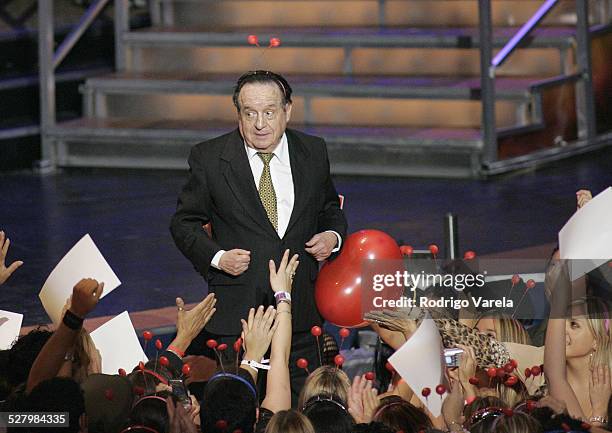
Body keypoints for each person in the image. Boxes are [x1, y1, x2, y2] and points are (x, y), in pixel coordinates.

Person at [170, 70, 348, 396]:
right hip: (239, 316)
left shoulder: (313, 151)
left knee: (298, 417)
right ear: (238, 114)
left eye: (269, 112)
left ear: (287, 111)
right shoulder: (209, 158)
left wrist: (332, 238)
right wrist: (219, 257)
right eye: (250, 113)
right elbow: (184, 224)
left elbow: (329, 210)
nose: (260, 123)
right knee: (239, 410)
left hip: (302, 317)